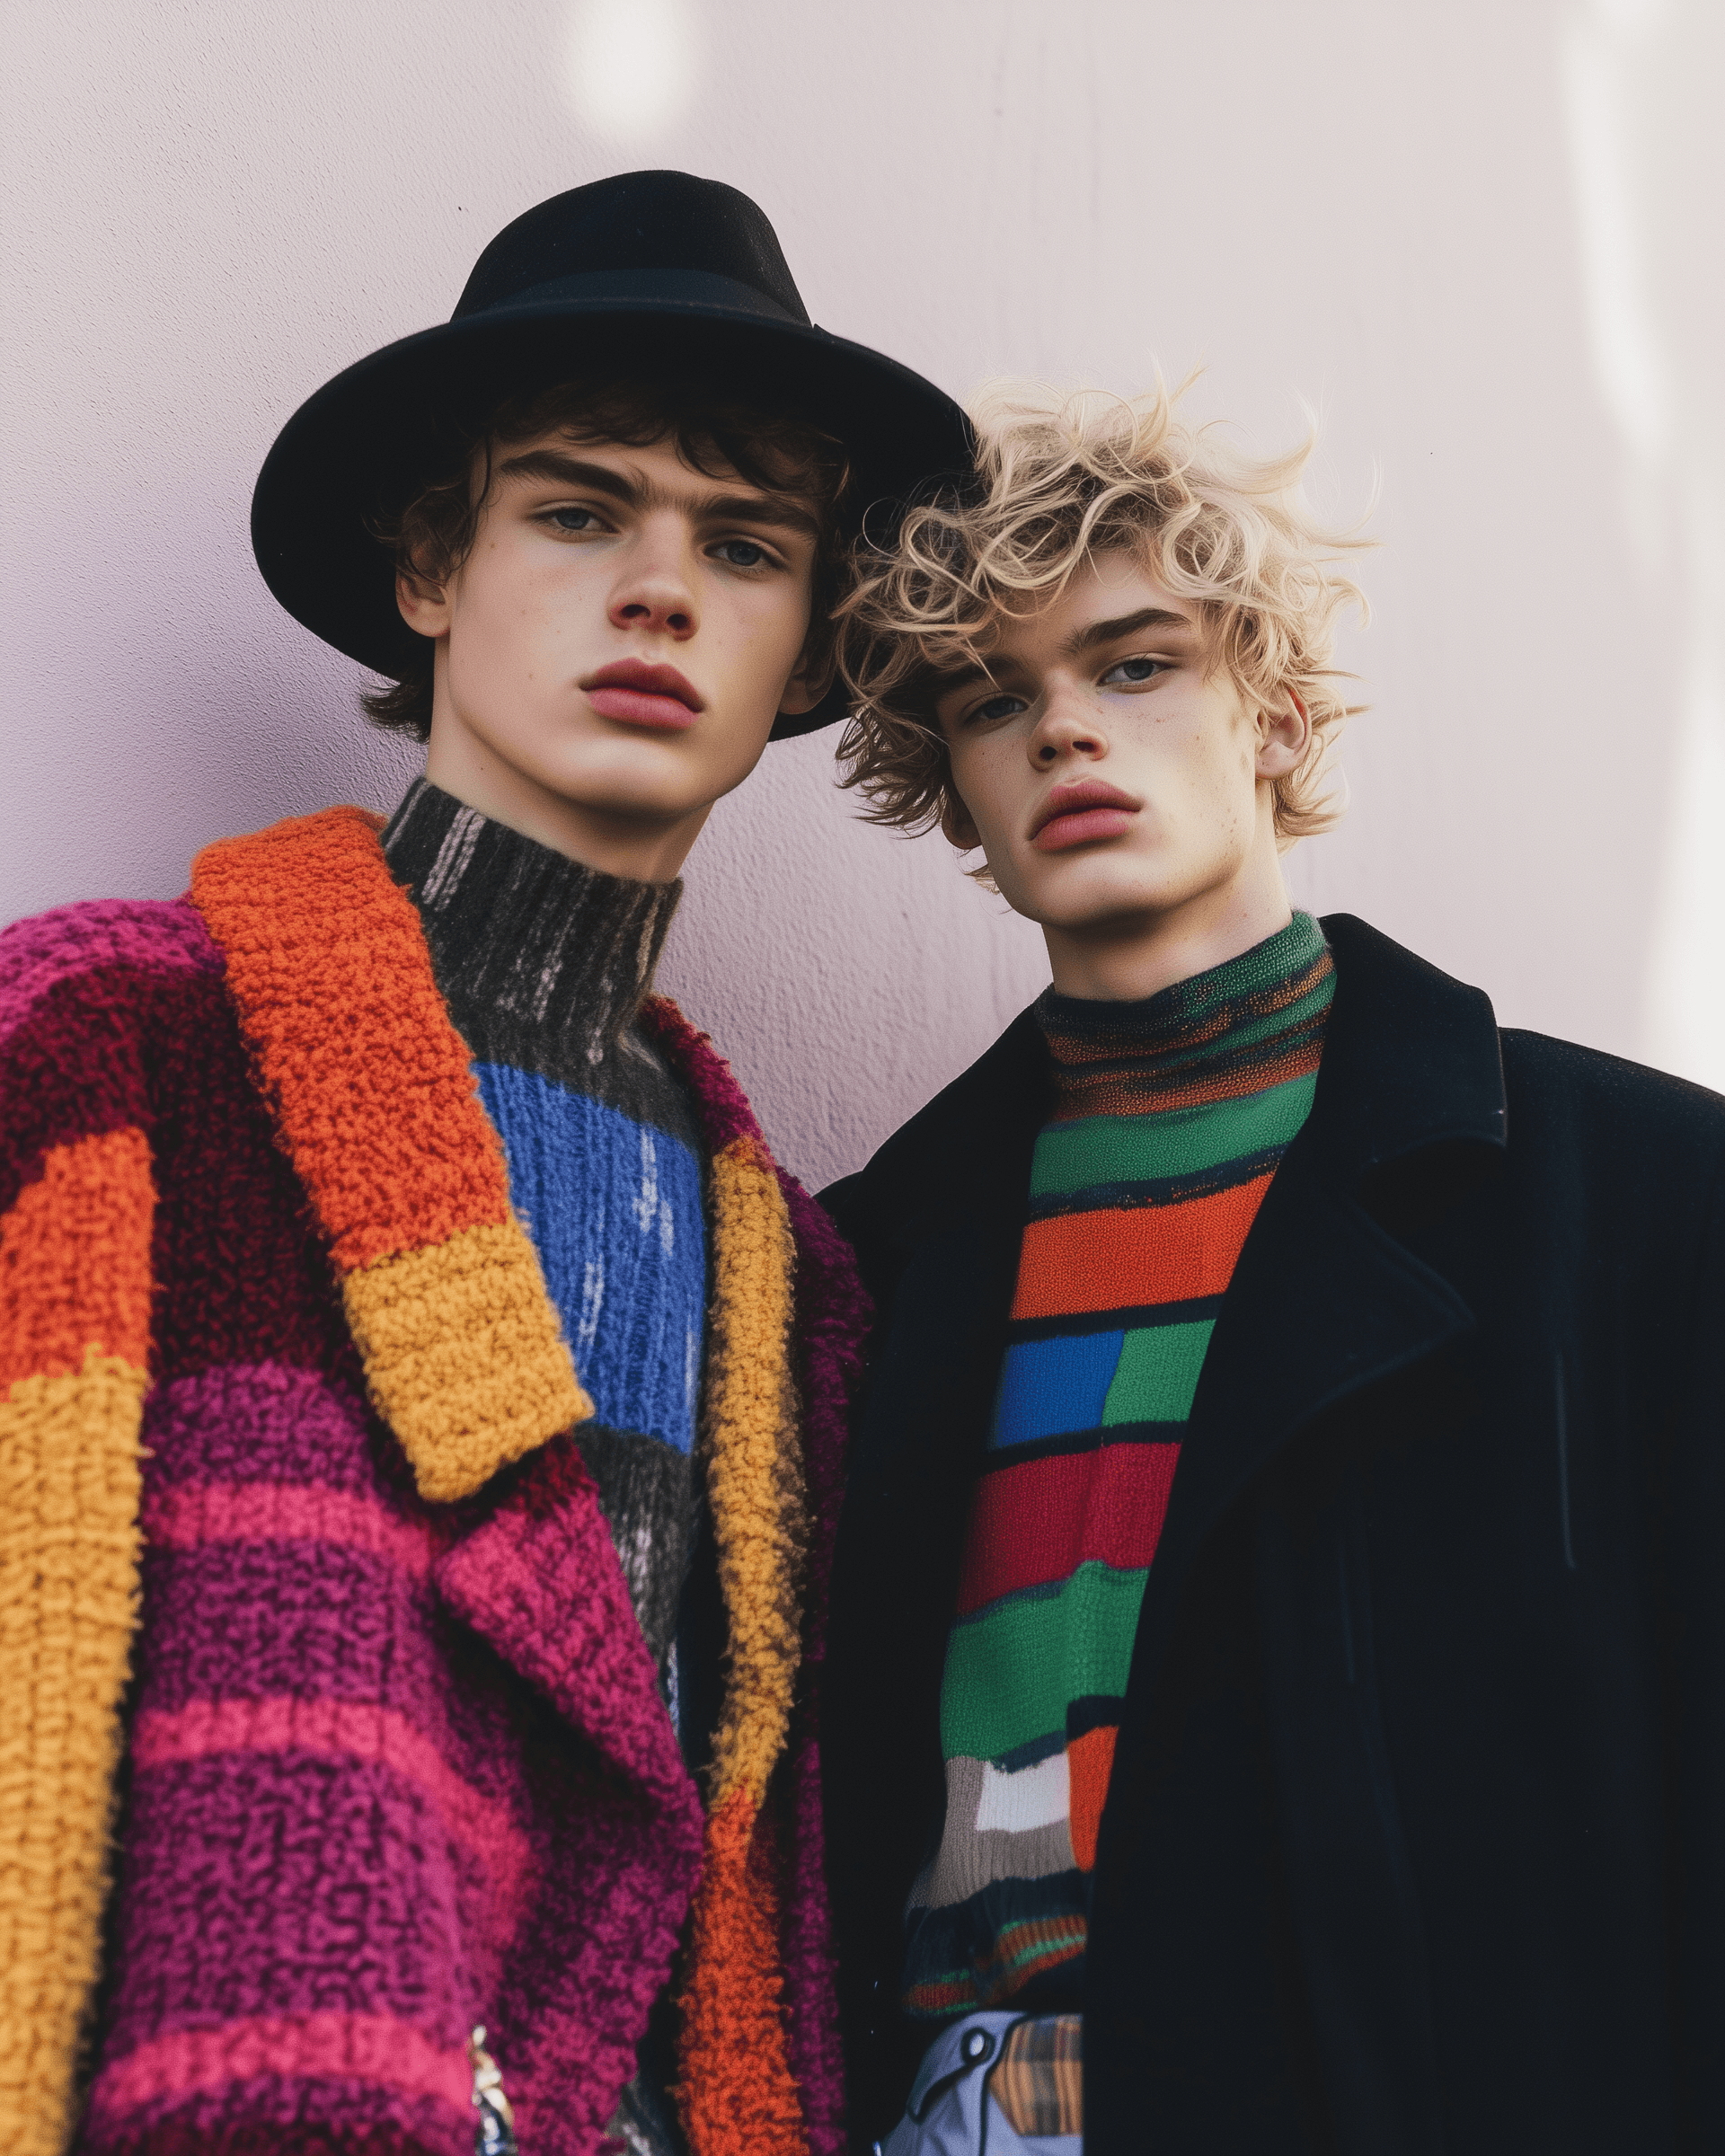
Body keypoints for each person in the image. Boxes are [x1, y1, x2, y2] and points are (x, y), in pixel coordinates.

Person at [0, 171, 968, 2156]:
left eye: (748, 542)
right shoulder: (113, 1047)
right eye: (578, 508)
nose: (660, 587)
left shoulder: (790, 1273)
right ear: (430, 564)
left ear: (804, 653)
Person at [818, 382, 1725, 2156]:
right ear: (955, 796)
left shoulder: (1643, 1195)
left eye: (1136, 663)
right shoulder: (866, 1262)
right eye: (996, 701)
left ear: (1277, 710)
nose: (1065, 729)